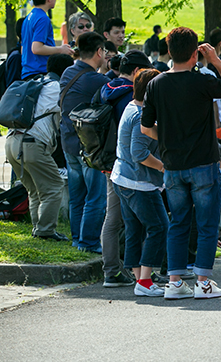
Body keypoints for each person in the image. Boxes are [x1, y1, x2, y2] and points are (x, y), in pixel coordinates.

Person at [140, 27, 221, 300]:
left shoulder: (156, 83)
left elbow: (146, 127)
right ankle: (203, 282)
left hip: (172, 164)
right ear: (195, 51)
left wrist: (168, 138)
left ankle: (174, 282)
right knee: (208, 223)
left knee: (179, 222)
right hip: (202, 162)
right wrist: (215, 60)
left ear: (169, 50)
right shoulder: (202, 80)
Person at [110, 68, 168, 296]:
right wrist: (164, 167)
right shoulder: (141, 115)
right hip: (139, 183)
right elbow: (139, 153)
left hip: (123, 178)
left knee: (135, 229)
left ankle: (139, 280)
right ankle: (145, 282)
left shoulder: (132, 106)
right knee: (159, 226)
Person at [5, 54, 73, 243]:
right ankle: (45, 231)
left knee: (34, 189)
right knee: (54, 187)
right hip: (31, 144)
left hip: (12, 142)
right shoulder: (57, 88)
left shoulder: (37, 82)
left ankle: (38, 228)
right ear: (66, 71)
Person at [100, 50, 153, 287]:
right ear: (137, 72)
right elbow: (138, 140)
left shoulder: (107, 89)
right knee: (131, 221)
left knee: (117, 219)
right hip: (128, 167)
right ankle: (124, 272)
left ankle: (117, 269)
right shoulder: (130, 97)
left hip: (108, 161)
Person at [59, 32, 110, 252]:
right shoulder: (97, 80)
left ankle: (77, 239)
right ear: (99, 51)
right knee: (96, 197)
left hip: (68, 142)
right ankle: (88, 242)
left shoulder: (67, 72)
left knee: (77, 196)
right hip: (89, 148)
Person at [21, 0, 73, 80]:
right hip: (39, 74)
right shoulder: (43, 19)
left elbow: (23, 49)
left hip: (27, 73)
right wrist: (60, 49)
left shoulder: (29, 17)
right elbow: (36, 48)